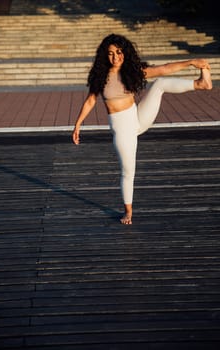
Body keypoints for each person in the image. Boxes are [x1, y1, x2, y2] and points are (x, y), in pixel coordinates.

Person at [72, 33, 212, 225]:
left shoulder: (133, 71)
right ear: (105, 55)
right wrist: (78, 125)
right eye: (111, 53)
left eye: (119, 52)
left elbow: (164, 69)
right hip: (123, 130)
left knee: (160, 83)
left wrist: (191, 62)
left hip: (137, 117)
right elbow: (90, 101)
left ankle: (200, 83)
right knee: (128, 172)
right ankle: (128, 212)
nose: (115, 57)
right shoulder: (101, 77)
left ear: (125, 53)